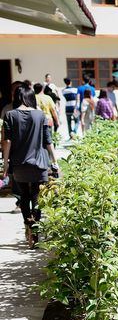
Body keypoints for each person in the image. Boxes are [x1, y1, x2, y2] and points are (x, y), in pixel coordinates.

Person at [1, 84, 58, 248]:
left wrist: (5, 165)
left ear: (16, 97)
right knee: (37, 196)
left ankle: (28, 224)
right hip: (40, 163)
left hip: (19, 163)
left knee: (24, 196)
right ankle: (35, 228)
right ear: (31, 97)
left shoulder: (10, 115)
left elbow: (8, 142)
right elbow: (48, 141)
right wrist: (55, 162)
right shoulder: (41, 116)